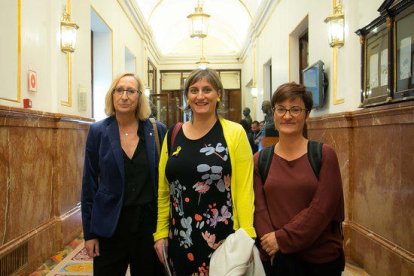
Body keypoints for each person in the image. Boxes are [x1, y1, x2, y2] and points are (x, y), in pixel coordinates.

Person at [154, 68, 256, 275]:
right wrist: (161, 232)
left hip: (223, 237)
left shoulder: (234, 133)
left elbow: (245, 189)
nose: (200, 96)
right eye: (194, 90)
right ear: (187, 96)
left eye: (207, 89)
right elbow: (164, 190)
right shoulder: (173, 134)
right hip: (180, 236)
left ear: (218, 94)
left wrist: (247, 234)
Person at [253, 82, 344, 276]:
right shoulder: (260, 160)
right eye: (281, 109)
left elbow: (321, 209)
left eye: (295, 109)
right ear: (274, 114)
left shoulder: (324, 155)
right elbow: (259, 209)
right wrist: (271, 244)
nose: (287, 116)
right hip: (277, 260)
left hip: (320, 260)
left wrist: (282, 239)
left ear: (307, 114)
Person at [81, 73, 166, 276]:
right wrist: (89, 234)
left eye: (131, 91)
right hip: (110, 225)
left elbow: (166, 182)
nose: (124, 96)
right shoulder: (98, 132)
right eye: (119, 90)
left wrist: (165, 229)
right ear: (112, 95)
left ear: (139, 97)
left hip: (148, 226)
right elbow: (89, 184)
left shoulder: (157, 130)